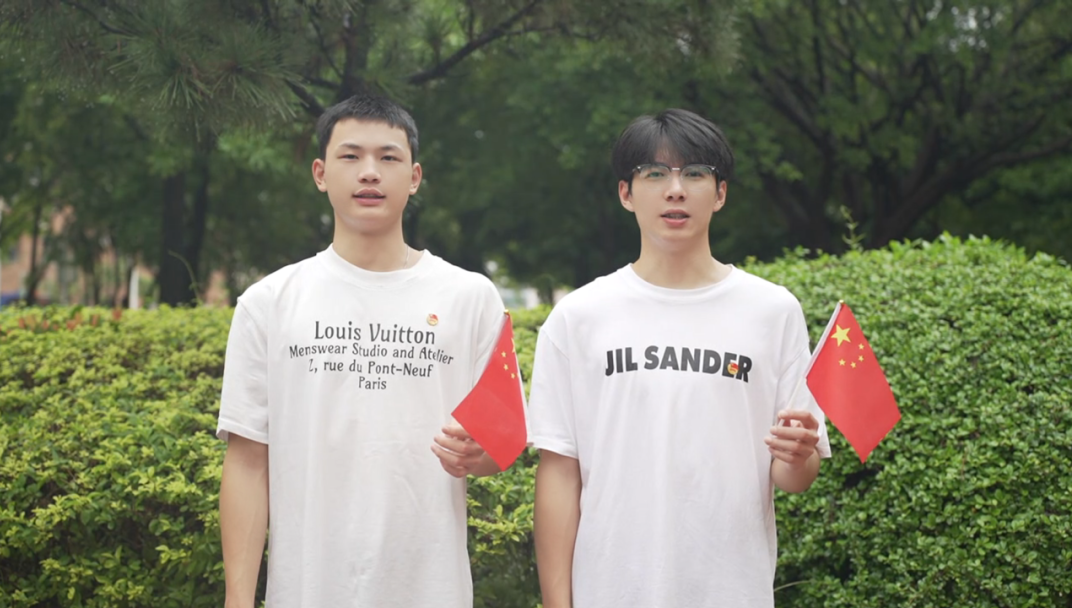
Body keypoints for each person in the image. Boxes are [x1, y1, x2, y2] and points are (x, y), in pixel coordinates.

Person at [529, 108, 832, 608]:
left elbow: (793, 477)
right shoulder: (579, 317)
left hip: (731, 591)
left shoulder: (772, 311)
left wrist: (798, 456)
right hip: (611, 591)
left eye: (694, 173)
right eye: (654, 174)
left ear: (720, 193)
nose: (675, 190)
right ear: (626, 193)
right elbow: (560, 472)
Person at [217, 93, 505, 608]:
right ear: (321, 173)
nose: (369, 172)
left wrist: (481, 457)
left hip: (431, 590)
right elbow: (246, 462)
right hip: (306, 590)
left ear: (414, 177)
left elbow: (499, 445)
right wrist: (238, 600)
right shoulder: (269, 302)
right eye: (351, 156)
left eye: (388, 157)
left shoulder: (471, 298)